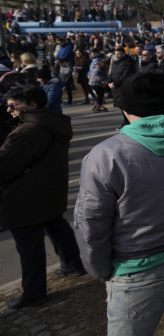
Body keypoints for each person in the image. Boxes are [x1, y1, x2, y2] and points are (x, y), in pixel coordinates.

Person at [75, 72, 164, 335]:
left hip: (136, 269)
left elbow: (90, 227)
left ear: (125, 108)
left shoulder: (105, 156)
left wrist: (101, 270)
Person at [1, 86, 84, 309]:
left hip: (26, 195)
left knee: (29, 246)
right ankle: (73, 264)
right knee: (57, 226)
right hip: (48, 188)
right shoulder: (53, 122)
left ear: (31, 105)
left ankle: (34, 293)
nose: (8, 109)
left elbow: (4, 167)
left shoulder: (26, 131)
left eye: (13, 105)